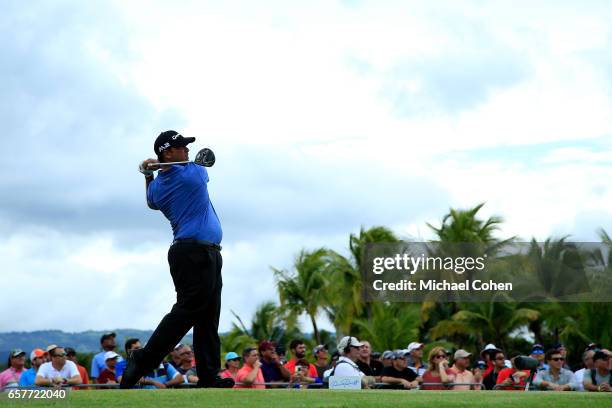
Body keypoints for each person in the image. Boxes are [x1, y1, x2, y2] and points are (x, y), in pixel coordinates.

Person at [122, 131, 231, 389]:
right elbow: (202, 167)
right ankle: (143, 358)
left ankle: (208, 376)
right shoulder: (191, 175)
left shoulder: (159, 186)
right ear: (167, 153)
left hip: (204, 252)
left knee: (208, 316)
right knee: (188, 310)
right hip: (193, 252)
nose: (187, 151)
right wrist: (155, 170)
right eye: (182, 147)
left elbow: (150, 201)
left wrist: (149, 174)